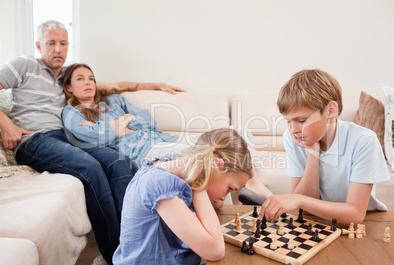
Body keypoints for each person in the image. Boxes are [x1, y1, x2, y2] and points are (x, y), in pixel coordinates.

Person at [0, 20, 183, 265]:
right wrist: (6, 124)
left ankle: (138, 240)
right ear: (38, 45)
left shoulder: (68, 76)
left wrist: (156, 85)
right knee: (90, 168)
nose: (57, 49)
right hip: (36, 139)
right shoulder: (24, 65)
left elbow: (119, 86)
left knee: (119, 161)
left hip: (67, 139)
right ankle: (118, 256)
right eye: (51, 43)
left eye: (63, 43)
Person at [61, 63, 274, 209]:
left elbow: (147, 120)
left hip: (164, 139)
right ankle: (228, 212)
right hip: (143, 152)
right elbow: (97, 138)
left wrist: (119, 125)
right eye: (80, 79)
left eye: (91, 78)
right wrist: (116, 127)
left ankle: (251, 182)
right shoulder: (71, 113)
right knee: (208, 160)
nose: (88, 82)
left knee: (238, 131)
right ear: (69, 87)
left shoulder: (114, 101)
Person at [259, 69, 389, 226]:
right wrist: (313, 152)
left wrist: (299, 200)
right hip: (319, 222)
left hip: (360, 226)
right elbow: (304, 210)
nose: (293, 129)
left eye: (301, 120)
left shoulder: (364, 141)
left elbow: (355, 214)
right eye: (288, 121)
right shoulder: (293, 137)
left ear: (330, 111)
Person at [112, 128, 253, 265]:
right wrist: (200, 184)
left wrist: (200, 177)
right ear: (217, 165)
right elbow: (215, 251)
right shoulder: (161, 185)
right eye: (229, 188)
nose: (224, 198)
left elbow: (216, 206)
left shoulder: (170, 164)